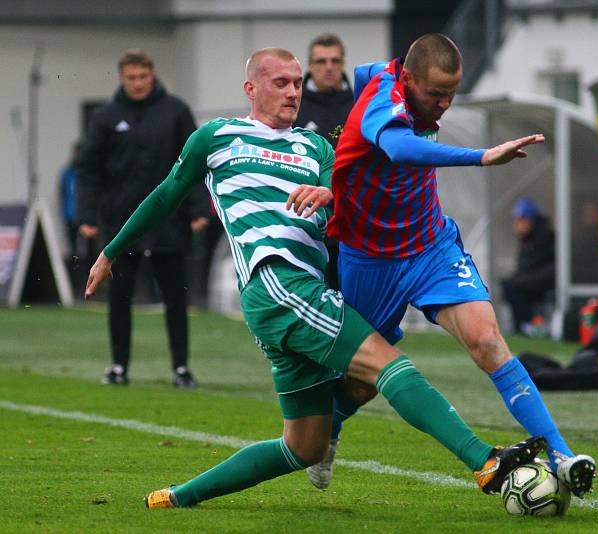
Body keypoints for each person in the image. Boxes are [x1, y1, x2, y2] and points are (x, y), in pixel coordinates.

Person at [84, 47, 545, 510]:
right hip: (277, 281)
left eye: (297, 83)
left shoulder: (316, 147)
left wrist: (333, 195)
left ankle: (178, 497)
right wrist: (110, 252)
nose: (292, 92)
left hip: (302, 290)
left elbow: (341, 206)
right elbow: (166, 196)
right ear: (251, 88)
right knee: (390, 363)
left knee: (302, 446)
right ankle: (486, 462)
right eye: (280, 82)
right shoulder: (217, 137)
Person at [319, 33, 596, 498]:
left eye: (453, 93)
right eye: (436, 94)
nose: (445, 104)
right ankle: (327, 430)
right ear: (407, 78)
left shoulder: (400, 82)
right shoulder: (382, 101)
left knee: (487, 341)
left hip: (430, 246)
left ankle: (561, 455)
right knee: (360, 384)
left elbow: (366, 72)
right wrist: (482, 157)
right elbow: (402, 149)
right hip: (369, 259)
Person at [75, 49, 210, 388]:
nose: (138, 84)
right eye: (131, 78)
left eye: (143, 77)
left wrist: (197, 208)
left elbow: (195, 162)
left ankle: (181, 367)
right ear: (122, 78)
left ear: (153, 75)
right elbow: (88, 169)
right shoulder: (106, 117)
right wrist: (87, 214)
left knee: (176, 298)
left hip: (171, 219)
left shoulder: (175, 111)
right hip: (122, 222)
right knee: (119, 297)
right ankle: (119, 366)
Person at [294, 33, 355, 290]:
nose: (328, 67)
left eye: (335, 61)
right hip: (307, 219)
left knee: (353, 298)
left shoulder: (358, 105)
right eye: (321, 61)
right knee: (315, 296)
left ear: (343, 64)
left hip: (353, 218)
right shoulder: (294, 106)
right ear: (310, 65)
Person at [500, 197, 555, 334]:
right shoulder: (527, 239)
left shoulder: (544, 237)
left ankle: (526, 325)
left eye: (520, 219)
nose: (517, 224)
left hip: (543, 284)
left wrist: (522, 281)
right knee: (508, 285)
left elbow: (549, 268)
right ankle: (521, 325)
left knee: (513, 288)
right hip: (530, 282)